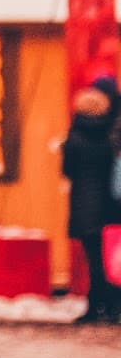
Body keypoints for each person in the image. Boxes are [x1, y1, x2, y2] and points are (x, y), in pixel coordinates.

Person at [62, 85, 119, 324]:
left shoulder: (75, 137)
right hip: (108, 206)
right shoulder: (109, 136)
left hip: (84, 205)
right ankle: (111, 304)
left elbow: (68, 170)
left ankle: (96, 305)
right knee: (110, 260)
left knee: (93, 260)